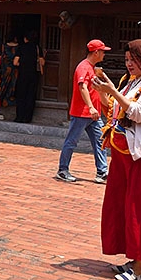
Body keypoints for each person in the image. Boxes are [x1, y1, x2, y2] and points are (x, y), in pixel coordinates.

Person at [92, 39, 141, 280]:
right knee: (121, 206)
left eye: (134, 60)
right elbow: (116, 108)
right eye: (127, 60)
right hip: (124, 153)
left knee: (140, 210)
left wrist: (113, 92)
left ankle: (140, 267)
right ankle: (132, 259)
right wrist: (108, 92)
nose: (129, 64)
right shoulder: (130, 83)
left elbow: (137, 112)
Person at [56, 39, 111, 183]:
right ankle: (62, 170)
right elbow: (82, 87)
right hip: (82, 113)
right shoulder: (83, 67)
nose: (104, 54)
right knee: (72, 141)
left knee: (100, 142)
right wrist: (91, 106)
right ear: (96, 52)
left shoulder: (93, 68)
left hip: (94, 114)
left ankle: (102, 172)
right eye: (103, 51)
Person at [14, 31, 44, 123]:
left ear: (25, 38)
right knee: (31, 95)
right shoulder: (37, 48)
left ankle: (19, 117)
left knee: (21, 95)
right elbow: (42, 62)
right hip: (34, 74)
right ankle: (27, 118)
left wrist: (22, 64)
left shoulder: (21, 47)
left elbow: (15, 62)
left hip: (22, 74)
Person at [0, 36, 19, 105]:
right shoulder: (18, 47)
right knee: (13, 83)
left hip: (5, 67)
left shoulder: (4, 46)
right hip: (15, 67)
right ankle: (8, 99)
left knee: (3, 82)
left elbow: (2, 56)